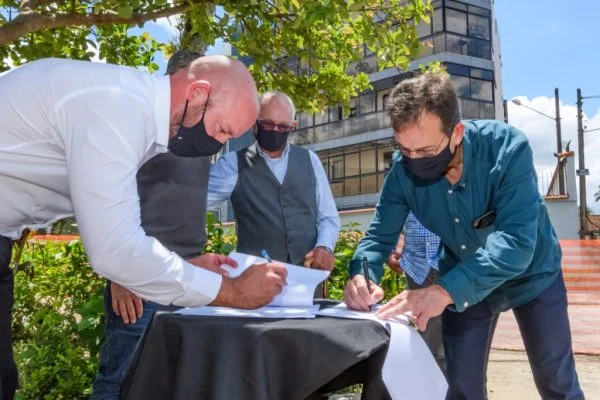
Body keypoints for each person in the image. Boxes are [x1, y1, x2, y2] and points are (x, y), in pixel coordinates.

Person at [0, 56, 287, 399]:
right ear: (197, 93)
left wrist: (186, 266)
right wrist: (233, 292)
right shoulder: (115, 108)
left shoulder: (144, 123)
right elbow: (116, 249)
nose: (218, 143)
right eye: (222, 129)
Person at [343, 72, 584, 399]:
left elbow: (515, 244)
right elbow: (378, 238)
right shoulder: (402, 172)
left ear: (456, 132)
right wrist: (362, 273)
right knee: (459, 387)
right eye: (404, 149)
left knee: (556, 381)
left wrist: (443, 290)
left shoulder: (507, 148)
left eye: (426, 151)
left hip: (533, 276)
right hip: (462, 275)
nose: (413, 161)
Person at [90, 50, 239, 399]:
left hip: (189, 272)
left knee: (178, 381)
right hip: (138, 277)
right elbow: (104, 201)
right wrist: (119, 275)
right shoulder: (139, 126)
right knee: (120, 379)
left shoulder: (203, 137)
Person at [207, 91, 341, 276]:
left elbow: (328, 217)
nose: (275, 131)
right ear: (254, 123)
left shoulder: (310, 160)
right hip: (254, 278)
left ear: (293, 126)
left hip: (306, 276)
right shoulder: (232, 164)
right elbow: (194, 204)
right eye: (268, 124)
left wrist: (324, 246)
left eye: (282, 127)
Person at [386, 212, 444, 374]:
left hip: (457, 262)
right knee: (428, 341)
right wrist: (391, 248)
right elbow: (392, 211)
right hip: (417, 266)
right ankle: (429, 383)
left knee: (466, 343)